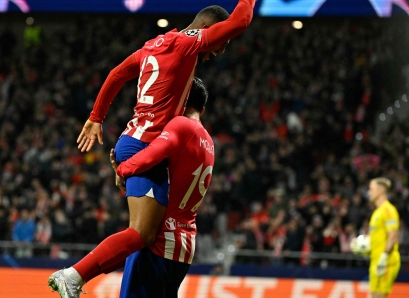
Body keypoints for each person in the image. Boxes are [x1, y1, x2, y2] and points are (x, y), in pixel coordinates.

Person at [48, 0, 255, 296]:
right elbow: (241, 21)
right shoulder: (187, 43)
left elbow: (117, 74)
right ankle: (74, 275)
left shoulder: (152, 46)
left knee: (144, 232)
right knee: (142, 233)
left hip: (135, 140)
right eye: (221, 42)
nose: (219, 51)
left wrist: (97, 117)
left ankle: (77, 275)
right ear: (206, 28)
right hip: (145, 145)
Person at [113, 77, 214, 297]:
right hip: (183, 246)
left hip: (158, 239)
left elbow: (149, 156)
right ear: (203, 110)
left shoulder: (180, 126)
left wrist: (122, 170)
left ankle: (75, 274)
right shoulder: (208, 142)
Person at [367, 177, 401, 298]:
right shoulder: (377, 212)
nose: (368, 192)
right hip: (375, 261)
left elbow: (393, 236)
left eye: (371, 189)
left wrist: (384, 257)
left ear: (381, 191)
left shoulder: (388, 210)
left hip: (385, 262)